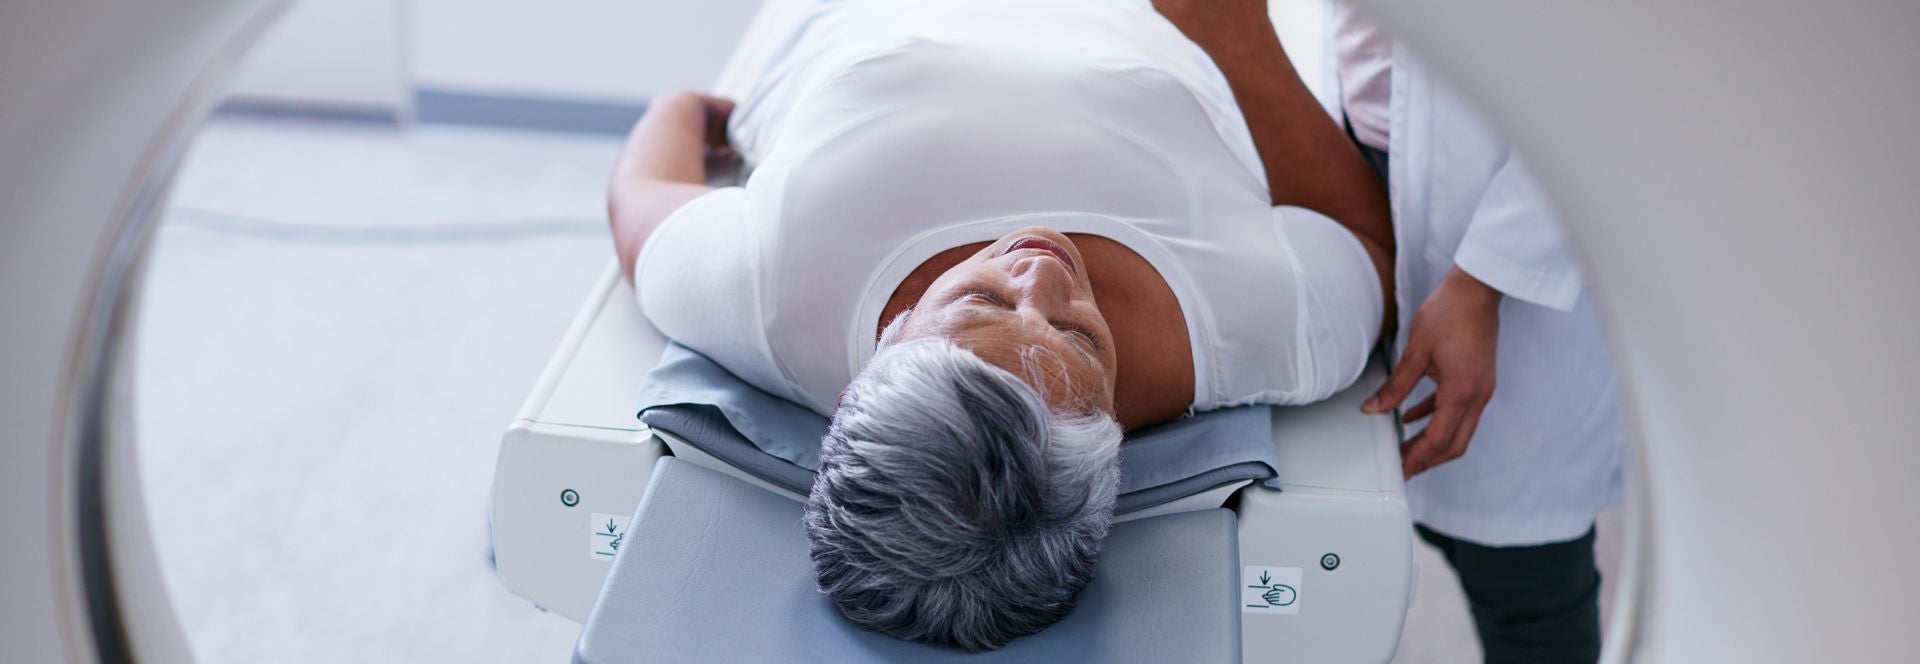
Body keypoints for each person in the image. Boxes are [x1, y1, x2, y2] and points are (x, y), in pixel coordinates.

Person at [607, 0, 1393, 651]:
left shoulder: (768, 296)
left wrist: (684, 109)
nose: (1045, 269)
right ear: (1113, 437)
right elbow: (1369, 247)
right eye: (1083, 337)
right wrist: (1234, 35)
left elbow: (640, 194)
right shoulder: (1259, 330)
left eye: (980, 304)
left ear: (865, 379)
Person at [1326, 2, 1626, 661]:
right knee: (1425, 514)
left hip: (1502, 205)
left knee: (1525, 576)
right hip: (1359, 150)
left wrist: (1482, 278)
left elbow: (1613, 60)